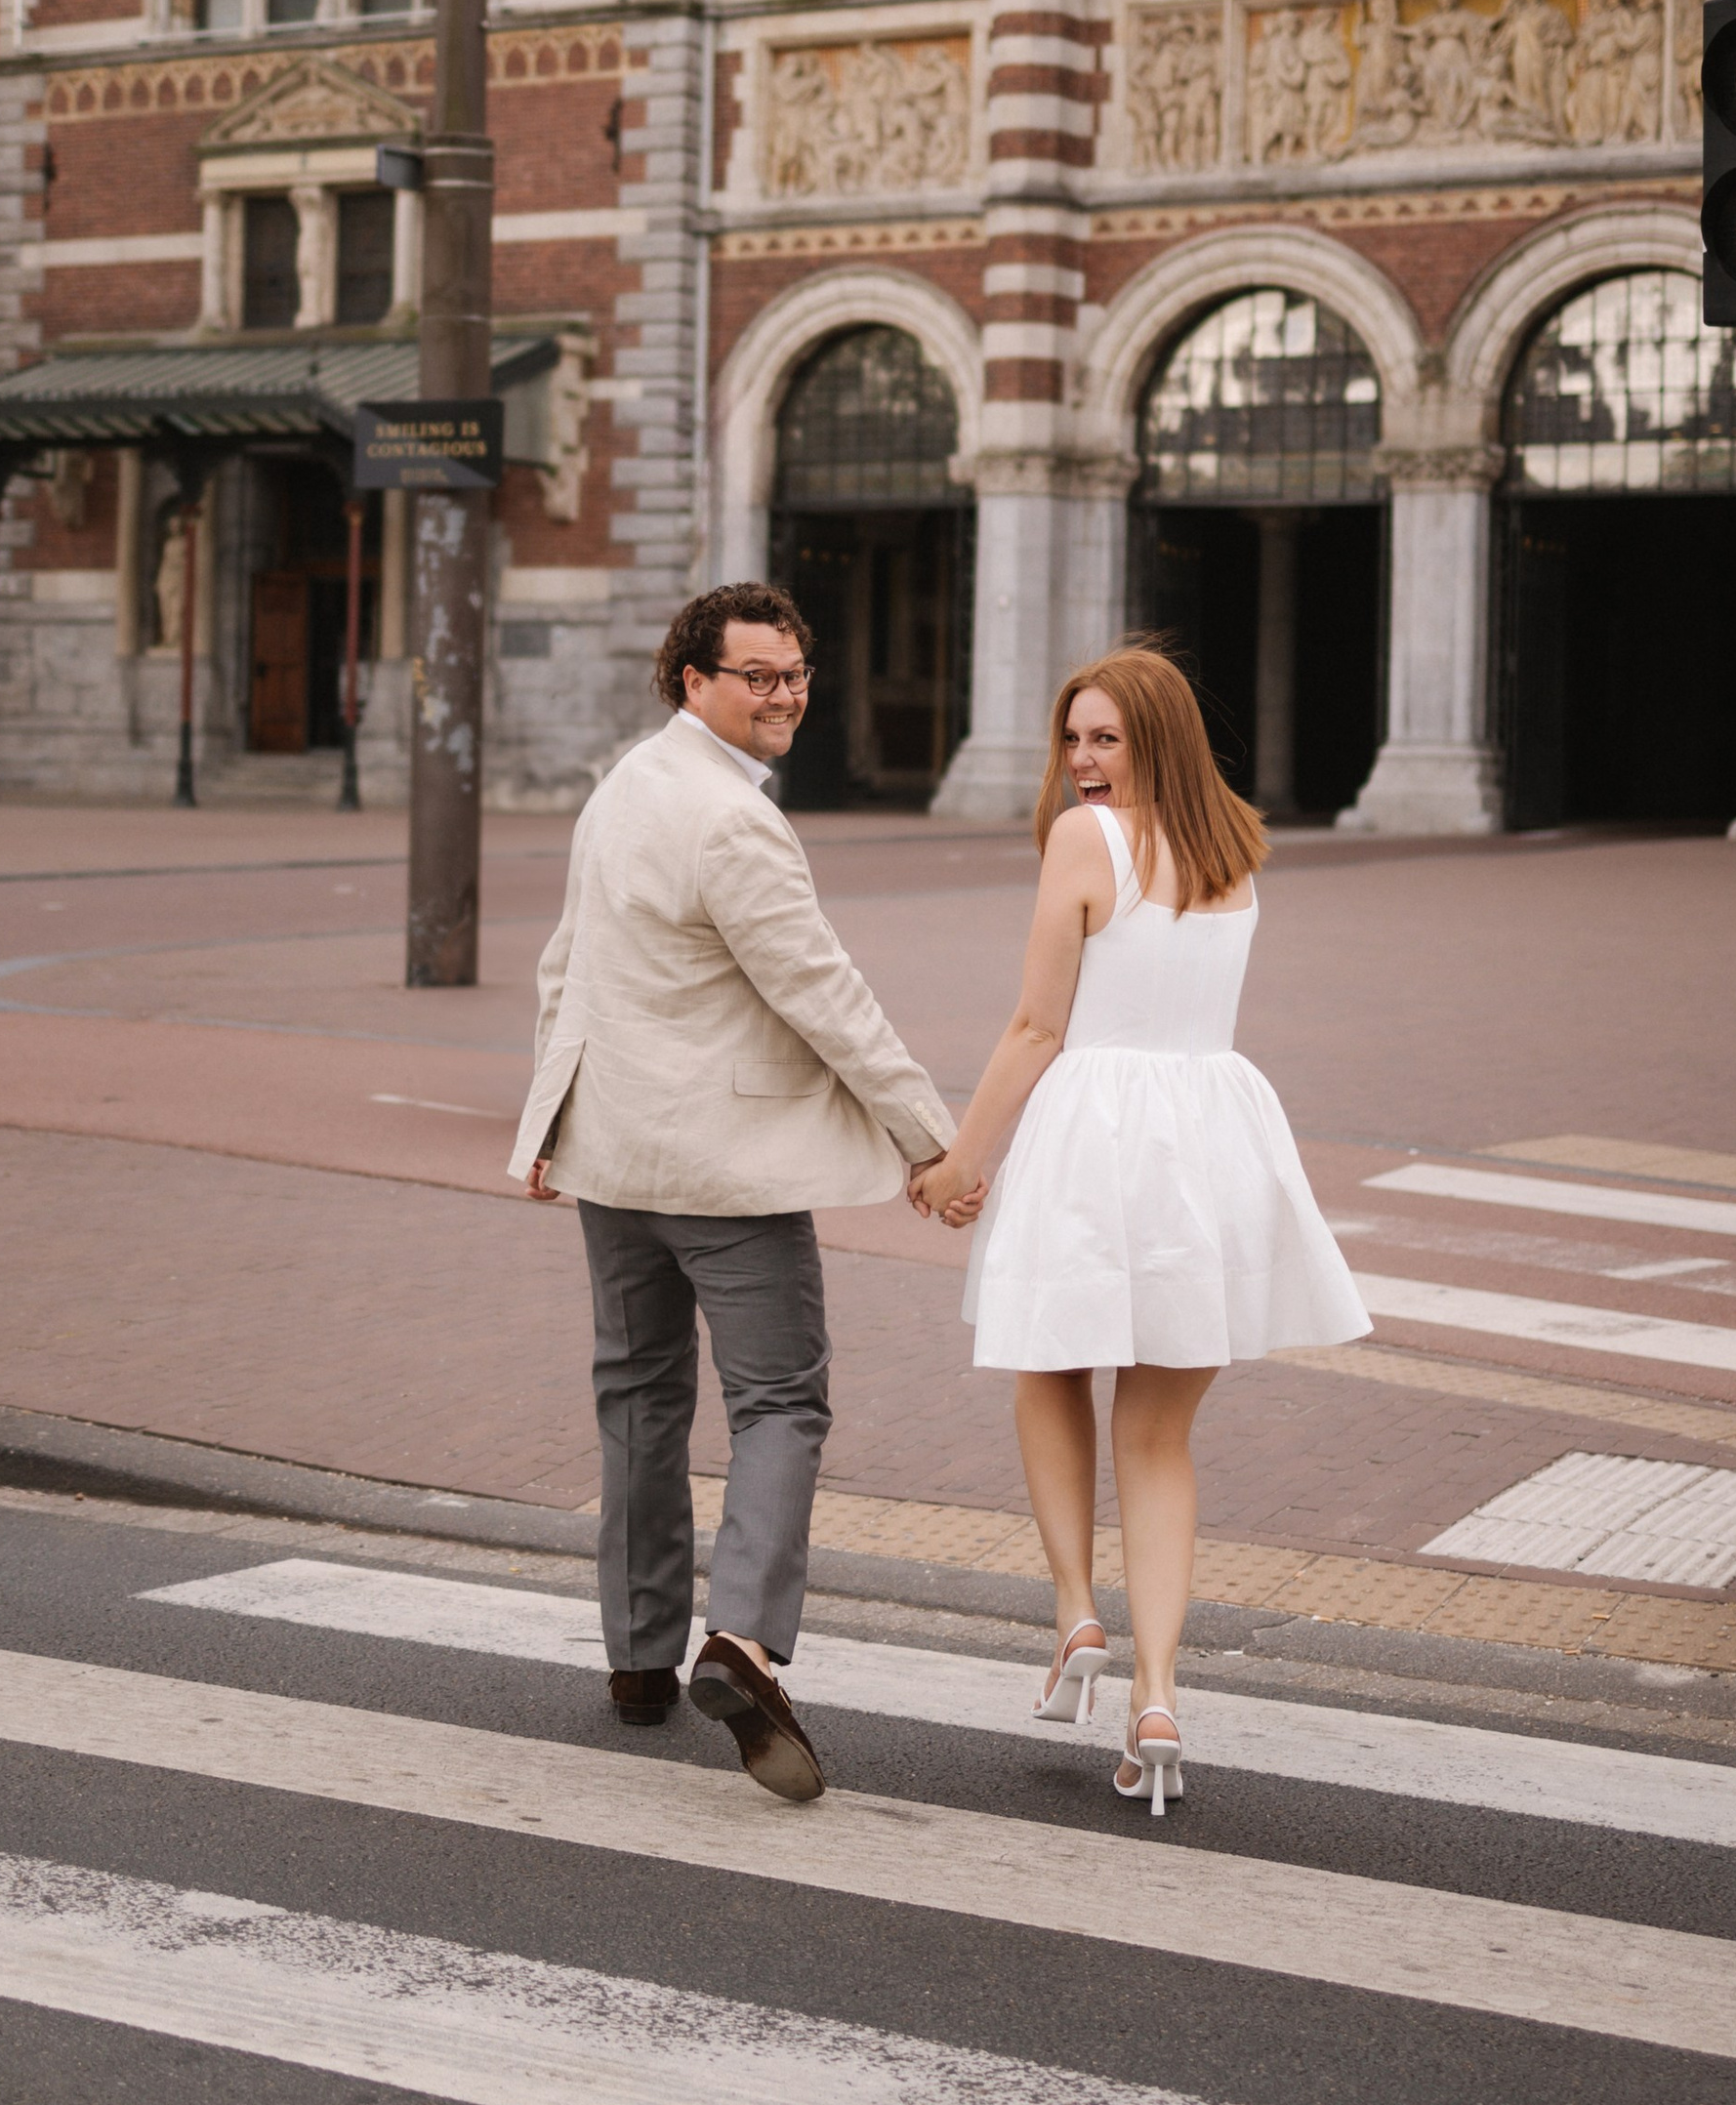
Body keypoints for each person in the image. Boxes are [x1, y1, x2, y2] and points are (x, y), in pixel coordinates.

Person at [512, 581, 957, 1803]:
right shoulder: (732, 819)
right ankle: (742, 1640)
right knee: (779, 1403)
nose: (786, 694)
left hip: (615, 1157)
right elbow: (822, 990)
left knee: (640, 1397)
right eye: (758, 674)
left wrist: (544, 1121)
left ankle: (638, 1657)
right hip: (722, 1170)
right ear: (691, 678)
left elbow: (569, 966)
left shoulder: (622, 787)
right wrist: (931, 1134)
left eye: (797, 672)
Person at [909, 640, 1369, 1816]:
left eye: (1104, 737)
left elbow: (1033, 1024)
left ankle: (1075, 1617)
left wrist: (962, 1160)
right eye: (1071, 738)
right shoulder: (1235, 851)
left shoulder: (1083, 840)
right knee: (1160, 1437)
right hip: (1209, 1134)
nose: (1081, 761)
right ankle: (1156, 1698)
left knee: (1047, 1364)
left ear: (1154, 736)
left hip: (1092, 1134)